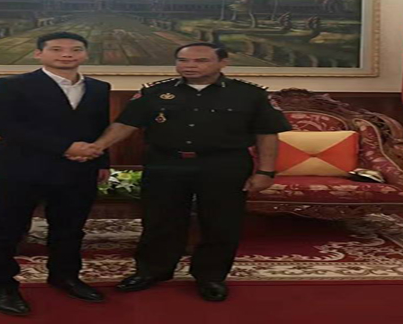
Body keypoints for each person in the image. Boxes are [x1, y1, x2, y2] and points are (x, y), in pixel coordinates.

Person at [70, 42, 292, 302]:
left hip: (224, 165)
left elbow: (267, 134)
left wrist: (265, 171)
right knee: (160, 220)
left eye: (200, 60)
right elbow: (125, 124)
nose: (190, 66)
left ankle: (210, 276)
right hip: (165, 163)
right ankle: (152, 271)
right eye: (183, 60)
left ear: (223, 62)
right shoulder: (155, 92)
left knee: (221, 222)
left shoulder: (249, 94)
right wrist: (97, 147)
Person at [0, 32, 111, 316]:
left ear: (85, 54)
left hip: (78, 170)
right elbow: (2, 125)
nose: (67, 54)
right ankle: (1, 285)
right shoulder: (10, 85)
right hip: (20, 169)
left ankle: (65, 276)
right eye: (57, 49)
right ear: (39, 54)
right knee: (6, 231)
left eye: (75, 49)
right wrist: (64, 147)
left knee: (70, 229)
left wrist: (102, 162)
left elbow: (100, 127)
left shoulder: (99, 88)